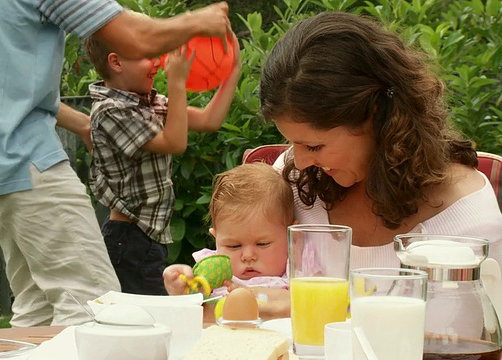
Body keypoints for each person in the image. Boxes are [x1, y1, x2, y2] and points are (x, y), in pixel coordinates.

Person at [0, 0, 232, 327]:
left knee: (37, 306)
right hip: (24, 159)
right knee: (94, 304)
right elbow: (135, 37)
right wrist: (198, 20)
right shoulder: (118, 105)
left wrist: (83, 124)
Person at [258, 11, 502, 270]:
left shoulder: (466, 222)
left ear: (373, 115)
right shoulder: (292, 183)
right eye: (291, 142)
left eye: (314, 146)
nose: (301, 161)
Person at [84, 31, 242, 295]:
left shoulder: (149, 103)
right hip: (128, 238)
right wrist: (176, 82)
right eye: (147, 56)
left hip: (147, 236)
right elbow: (174, 142)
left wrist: (232, 71)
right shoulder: (110, 111)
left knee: (154, 315)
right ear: (116, 62)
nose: (157, 62)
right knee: (144, 319)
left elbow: (208, 120)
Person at [163, 162, 299, 321]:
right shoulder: (213, 275)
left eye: (262, 244)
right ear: (216, 240)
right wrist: (181, 289)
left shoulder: (299, 271)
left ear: (292, 236)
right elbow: (191, 314)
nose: (248, 256)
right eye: (234, 246)